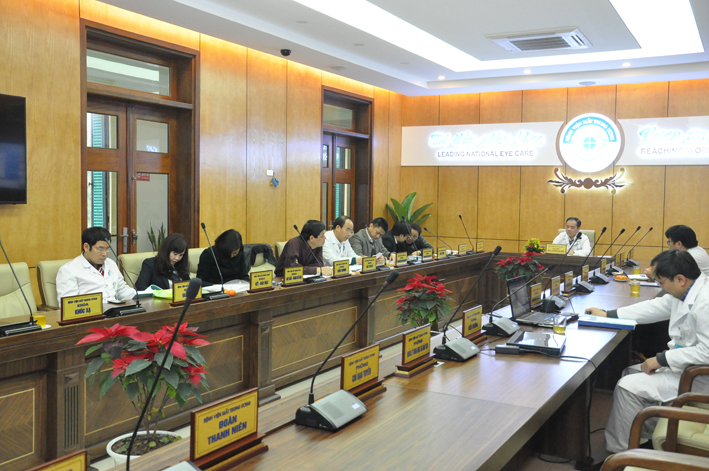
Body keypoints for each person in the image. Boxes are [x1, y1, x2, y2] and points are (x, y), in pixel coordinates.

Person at [584, 250, 709, 455]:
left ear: (680, 279)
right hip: (687, 368)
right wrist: (608, 314)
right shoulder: (688, 290)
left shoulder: (705, 301)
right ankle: (646, 440)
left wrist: (662, 359)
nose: (661, 288)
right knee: (630, 372)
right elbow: (654, 307)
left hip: (698, 377)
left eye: (661, 283)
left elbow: (707, 351)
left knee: (627, 387)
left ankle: (620, 455)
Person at [56, 227, 136, 302]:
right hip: (91, 311)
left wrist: (137, 296)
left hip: (115, 309)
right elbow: (68, 304)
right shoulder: (69, 270)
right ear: (86, 247)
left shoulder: (111, 263)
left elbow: (122, 289)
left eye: (107, 249)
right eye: (100, 249)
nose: (104, 254)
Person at [644, 225, 709, 278]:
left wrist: (654, 276)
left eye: (669, 242)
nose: (669, 246)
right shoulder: (698, 250)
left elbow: (674, 281)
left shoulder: (690, 257)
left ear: (679, 244)